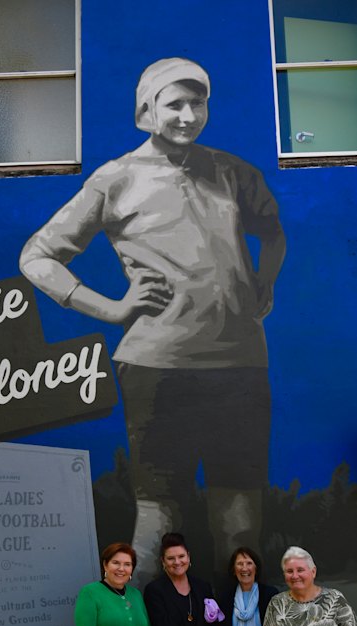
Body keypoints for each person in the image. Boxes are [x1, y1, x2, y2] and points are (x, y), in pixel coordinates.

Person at [20, 57, 286, 584]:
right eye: (174, 104)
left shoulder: (234, 172)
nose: (189, 115)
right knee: (159, 517)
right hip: (156, 368)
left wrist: (265, 281)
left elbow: (273, 232)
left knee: (239, 525)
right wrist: (113, 309)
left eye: (198, 103)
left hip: (240, 366)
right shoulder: (114, 179)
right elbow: (37, 256)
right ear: (146, 110)